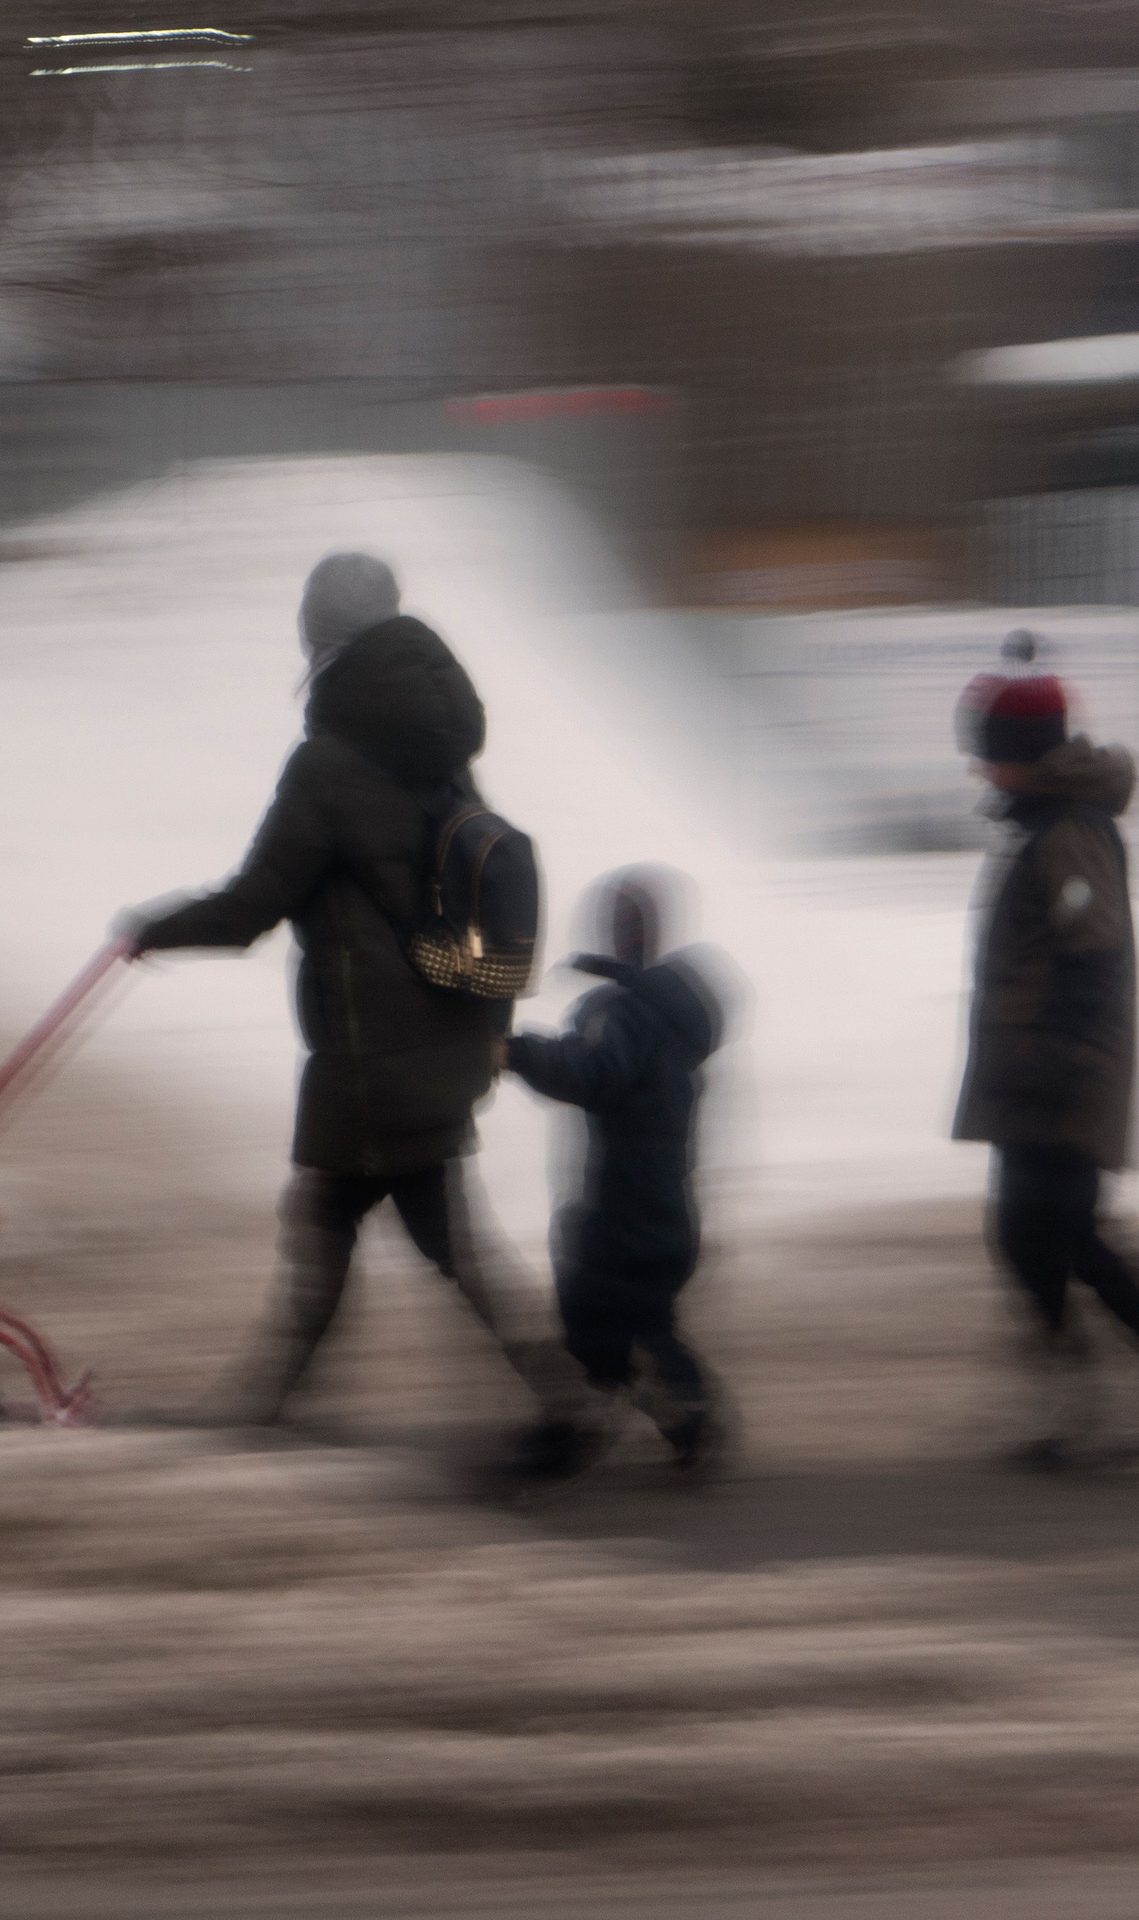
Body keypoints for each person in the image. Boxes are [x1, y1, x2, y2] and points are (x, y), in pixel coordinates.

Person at [121, 550, 592, 1463]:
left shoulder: (330, 762)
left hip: (374, 1049)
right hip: (440, 1033)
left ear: (320, 638)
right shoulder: (441, 749)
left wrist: (152, 928)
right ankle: (286, 1402)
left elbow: (256, 901)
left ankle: (559, 1401)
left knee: (386, 1228)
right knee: (373, 1225)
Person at [953, 633, 1139, 1464]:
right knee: (1037, 1232)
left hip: (1062, 1075)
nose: (978, 769)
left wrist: (1063, 1059)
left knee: (1061, 1232)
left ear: (1020, 754)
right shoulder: (1044, 825)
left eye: (987, 753)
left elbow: (1091, 951)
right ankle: (1100, 1393)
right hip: (1039, 1071)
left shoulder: (1069, 833)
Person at [502, 867, 731, 1474]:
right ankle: (683, 1414)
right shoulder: (672, 1014)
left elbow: (592, 1073)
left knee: (595, 1319)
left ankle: (590, 1426)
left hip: (621, 1210)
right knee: (643, 1322)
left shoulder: (624, 1013)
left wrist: (518, 1051)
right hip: (666, 1208)